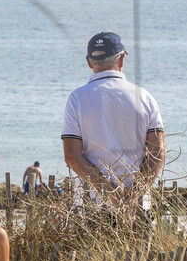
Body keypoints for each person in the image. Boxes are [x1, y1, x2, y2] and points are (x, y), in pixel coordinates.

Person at [61, 31, 166, 211]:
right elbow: (158, 153)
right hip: (137, 205)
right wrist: (133, 195)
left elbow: (72, 157)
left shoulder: (77, 98)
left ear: (88, 61)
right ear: (122, 59)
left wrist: (109, 192)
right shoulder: (145, 97)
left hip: (91, 204)